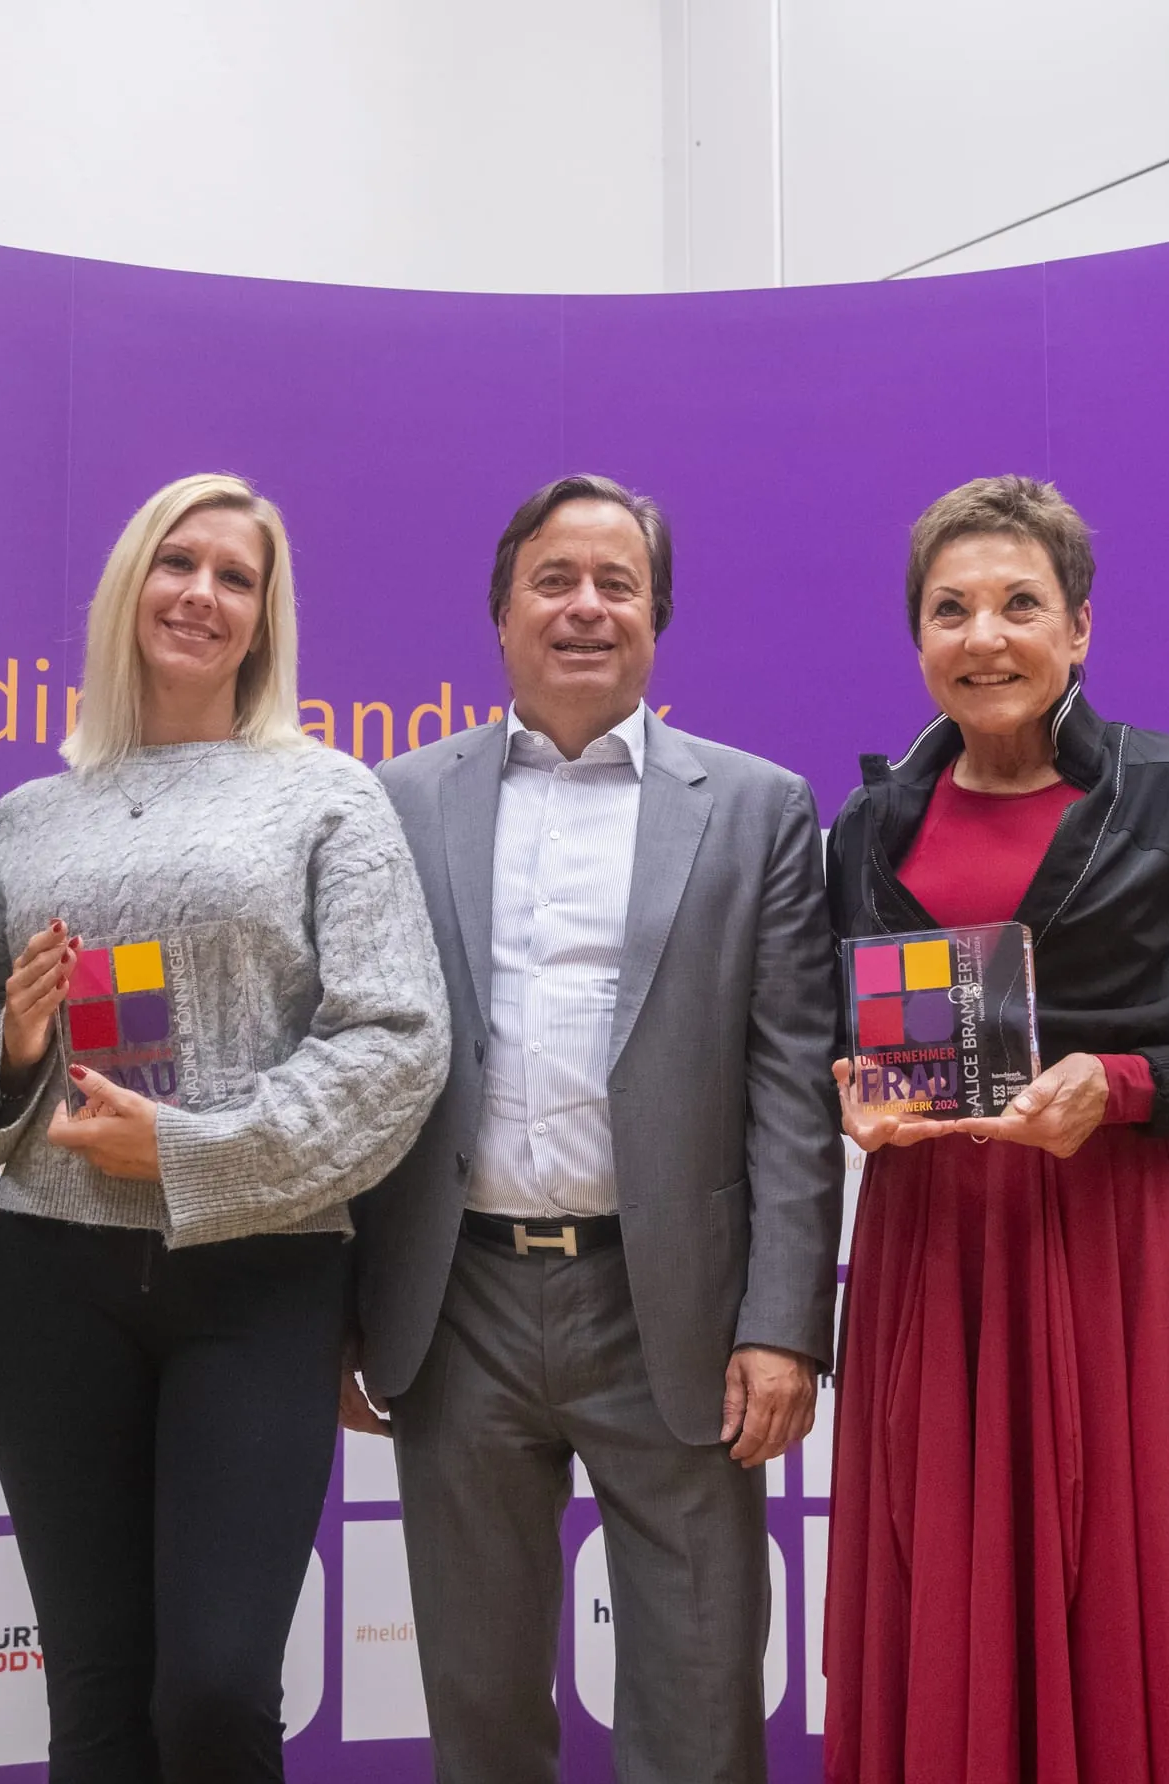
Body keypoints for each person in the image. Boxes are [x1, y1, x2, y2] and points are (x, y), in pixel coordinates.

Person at [820, 475, 1169, 1784]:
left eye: (1019, 604)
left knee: (1129, 1602)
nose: (985, 637)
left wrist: (1125, 1087)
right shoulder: (867, 829)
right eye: (951, 609)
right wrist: (852, 1094)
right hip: (938, 1253)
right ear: (917, 636)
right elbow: (838, 1034)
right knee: (948, 1594)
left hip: (1125, 1247)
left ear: (1080, 628)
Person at [347, 474, 842, 1783]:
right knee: (479, 1700)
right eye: (552, 581)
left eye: (615, 583)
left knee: (698, 1701)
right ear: (500, 615)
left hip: (669, 1307)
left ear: (656, 619)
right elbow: (354, 1061)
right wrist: (349, 1305)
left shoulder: (756, 809)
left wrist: (784, 1324)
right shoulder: (392, 804)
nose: (583, 607)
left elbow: (793, 1084)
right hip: (457, 1306)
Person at [0, 472, 448, 1781]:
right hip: (50, 1285)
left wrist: (188, 1154)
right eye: (179, 563)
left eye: (238, 578)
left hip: (261, 1278)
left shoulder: (328, 797)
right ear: (131, 586)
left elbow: (396, 1040)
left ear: (264, 620)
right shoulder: (25, 819)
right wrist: (14, 1052)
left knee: (219, 1693)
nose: (203, 594)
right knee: (99, 1708)